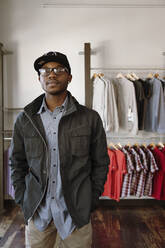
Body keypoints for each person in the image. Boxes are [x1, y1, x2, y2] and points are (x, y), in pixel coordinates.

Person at [9, 51, 110, 248]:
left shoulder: (89, 118)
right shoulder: (25, 119)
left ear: (69, 77)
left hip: (76, 215)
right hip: (39, 215)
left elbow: (101, 163)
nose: (51, 74)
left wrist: (91, 199)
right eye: (45, 70)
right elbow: (16, 163)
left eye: (58, 69)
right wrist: (23, 199)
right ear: (39, 78)